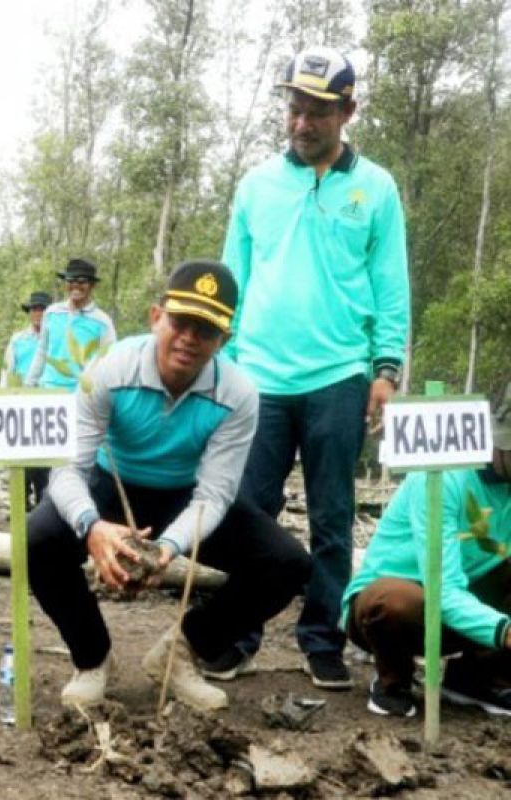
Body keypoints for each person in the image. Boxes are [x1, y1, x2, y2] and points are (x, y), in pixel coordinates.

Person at [29, 260, 310, 711]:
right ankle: (92, 656)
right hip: (110, 485)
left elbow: (215, 493)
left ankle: (182, 653)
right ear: (156, 316)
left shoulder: (238, 395)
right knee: (38, 539)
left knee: (287, 564)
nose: (189, 339)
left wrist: (170, 547)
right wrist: (92, 526)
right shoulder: (108, 370)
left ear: (225, 340)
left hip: (184, 494)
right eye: (180, 323)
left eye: (206, 330)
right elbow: (66, 469)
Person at [220, 46, 410, 689]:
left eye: (317, 113)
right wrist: (225, 366)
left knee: (333, 515)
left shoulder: (376, 189)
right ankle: (236, 633)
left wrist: (386, 368)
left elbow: (391, 287)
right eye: (294, 109)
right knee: (247, 512)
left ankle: (321, 637)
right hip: (259, 379)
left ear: (347, 112)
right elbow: (231, 282)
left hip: (338, 377)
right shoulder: (255, 186)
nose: (302, 124)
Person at [345, 386, 511, 717]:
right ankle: (393, 679)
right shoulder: (444, 477)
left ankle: (479, 679)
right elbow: (443, 588)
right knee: (394, 600)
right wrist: (505, 631)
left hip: (467, 603)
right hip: (399, 608)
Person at [25, 259, 116, 390]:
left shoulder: (102, 322)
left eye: (82, 281)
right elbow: (42, 351)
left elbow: (109, 361)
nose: (75, 285)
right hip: (48, 390)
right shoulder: (51, 313)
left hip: (82, 394)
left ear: (92, 285)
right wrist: (29, 384)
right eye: (70, 280)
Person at [0, 291, 51, 509]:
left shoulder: (55, 341)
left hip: (47, 412)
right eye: (34, 309)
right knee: (21, 470)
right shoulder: (18, 340)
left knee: (44, 471)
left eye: (42, 309)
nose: (37, 313)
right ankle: (20, 514)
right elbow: (6, 373)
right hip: (20, 411)